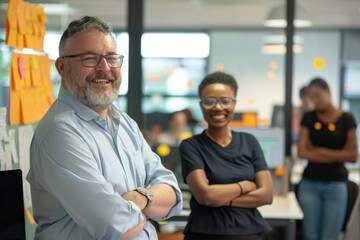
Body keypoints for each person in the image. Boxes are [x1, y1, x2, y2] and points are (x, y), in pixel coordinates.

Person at [26, 16, 182, 240]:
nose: (104, 68)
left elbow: (173, 195)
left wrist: (139, 199)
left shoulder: (124, 123)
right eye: (89, 58)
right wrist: (150, 208)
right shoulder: (60, 133)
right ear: (62, 67)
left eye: (111, 58)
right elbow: (115, 225)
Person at [180, 71, 273, 240]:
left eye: (225, 101)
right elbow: (205, 196)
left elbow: (266, 195)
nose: (218, 107)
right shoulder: (191, 146)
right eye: (210, 101)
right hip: (205, 233)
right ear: (201, 105)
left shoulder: (249, 141)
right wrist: (244, 186)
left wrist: (221, 198)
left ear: (234, 104)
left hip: (248, 231)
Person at [297, 78, 358, 240]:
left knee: (329, 237)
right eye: (311, 98)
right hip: (309, 184)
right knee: (310, 235)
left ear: (328, 91)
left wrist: (318, 151)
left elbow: (352, 156)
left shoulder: (347, 119)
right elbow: (302, 152)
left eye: (317, 95)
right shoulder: (309, 118)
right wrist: (338, 155)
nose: (315, 101)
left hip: (336, 185)